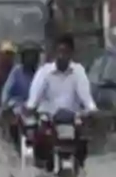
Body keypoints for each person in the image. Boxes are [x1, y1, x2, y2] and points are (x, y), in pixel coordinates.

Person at [25, 33, 98, 168]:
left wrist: (91, 109)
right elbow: (34, 96)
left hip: (72, 120)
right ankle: (43, 171)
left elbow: (85, 96)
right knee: (40, 143)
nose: (61, 56)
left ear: (71, 53)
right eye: (59, 52)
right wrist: (31, 107)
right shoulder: (44, 72)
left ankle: (80, 172)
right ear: (54, 53)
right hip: (49, 120)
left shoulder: (78, 71)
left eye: (65, 52)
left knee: (84, 143)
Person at [0, 42, 42, 148]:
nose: (31, 58)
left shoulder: (42, 72)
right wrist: (4, 104)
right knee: (12, 121)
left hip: (38, 106)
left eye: (33, 55)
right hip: (19, 105)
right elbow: (7, 90)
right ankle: (13, 144)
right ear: (23, 57)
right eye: (28, 55)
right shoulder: (16, 71)